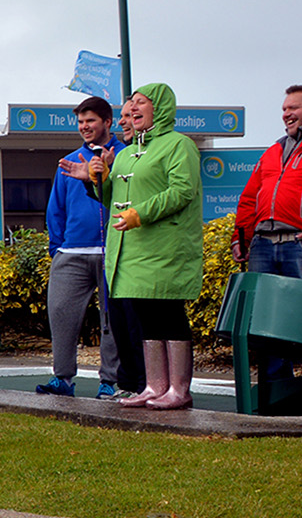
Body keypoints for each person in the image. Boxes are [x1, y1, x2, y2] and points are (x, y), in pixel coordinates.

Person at [62, 83, 204, 410]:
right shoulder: (125, 154)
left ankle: (179, 389)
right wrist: (95, 180)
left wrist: (141, 213)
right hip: (131, 252)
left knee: (169, 315)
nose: (134, 109)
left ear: (162, 108)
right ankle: (155, 386)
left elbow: (182, 192)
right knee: (146, 318)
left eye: (141, 103)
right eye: (131, 103)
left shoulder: (179, 146)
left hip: (165, 247)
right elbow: (111, 201)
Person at [38, 97, 125, 399]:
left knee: (112, 320)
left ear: (108, 122)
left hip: (112, 252)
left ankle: (108, 382)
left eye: (91, 121)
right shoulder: (68, 161)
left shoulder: (126, 157)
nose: (85, 127)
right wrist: (58, 248)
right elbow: (55, 209)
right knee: (60, 314)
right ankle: (62, 379)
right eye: (81, 122)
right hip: (71, 253)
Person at [233, 84, 302, 283]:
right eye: (284, 109)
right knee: (261, 311)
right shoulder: (274, 150)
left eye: (293, 108)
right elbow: (249, 198)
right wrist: (241, 239)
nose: (286, 114)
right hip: (262, 247)